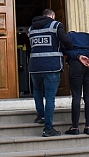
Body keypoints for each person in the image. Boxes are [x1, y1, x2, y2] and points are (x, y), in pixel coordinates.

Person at [28, 8, 73, 137]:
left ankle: (40, 115)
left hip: (35, 66)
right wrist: (70, 49)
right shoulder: (56, 25)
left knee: (37, 91)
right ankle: (48, 128)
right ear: (52, 16)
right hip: (52, 65)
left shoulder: (31, 29)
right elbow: (66, 41)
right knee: (50, 97)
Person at [64, 31, 89, 136]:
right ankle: (88, 127)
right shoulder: (88, 37)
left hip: (76, 64)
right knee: (88, 97)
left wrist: (78, 56)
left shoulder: (69, 36)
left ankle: (75, 127)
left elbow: (64, 49)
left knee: (76, 97)